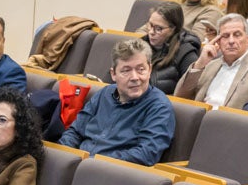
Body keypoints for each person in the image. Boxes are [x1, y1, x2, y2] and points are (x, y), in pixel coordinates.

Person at [59, 38, 176, 166]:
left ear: (150, 70)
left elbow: (146, 154)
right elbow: (75, 132)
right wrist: (63, 156)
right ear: (113, 74)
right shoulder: (104, 93)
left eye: (141, 69)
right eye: (126, 71)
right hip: (80, 165)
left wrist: (94, 161)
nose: (135, 77)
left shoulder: (159, 106)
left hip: (113, 173)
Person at [175, 14, 248, 109]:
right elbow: (180, 98)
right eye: (225, 36)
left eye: (237, 35)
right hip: (200, 123)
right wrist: (199, 64)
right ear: (218, 41)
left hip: (233, 127)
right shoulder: (210, 65)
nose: (231, 41)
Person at [144, 3, 201, 93]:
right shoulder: (141, 45)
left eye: (158, 28)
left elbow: (190, 92)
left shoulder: (186, 53)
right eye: (150, 25)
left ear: (173, 29)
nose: (151, 32)